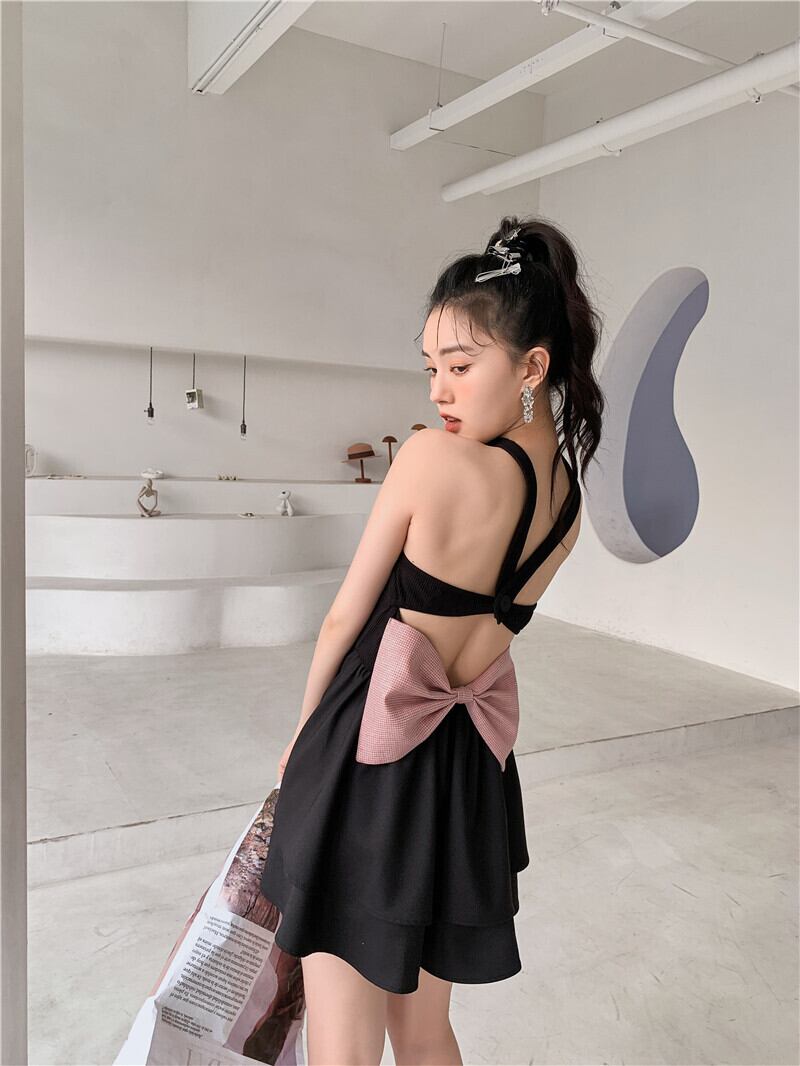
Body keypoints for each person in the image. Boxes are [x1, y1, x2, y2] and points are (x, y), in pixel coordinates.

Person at [260, 214, 605, 1065]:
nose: (438, 393)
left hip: (367, 765)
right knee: (422, 1030)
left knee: (341, 1043)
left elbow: (343, 620)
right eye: (431, 370)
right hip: (465, 779)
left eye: (459, 366)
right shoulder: (568, 504)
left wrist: (301, 738)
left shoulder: (429, 461)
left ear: (532, 368)